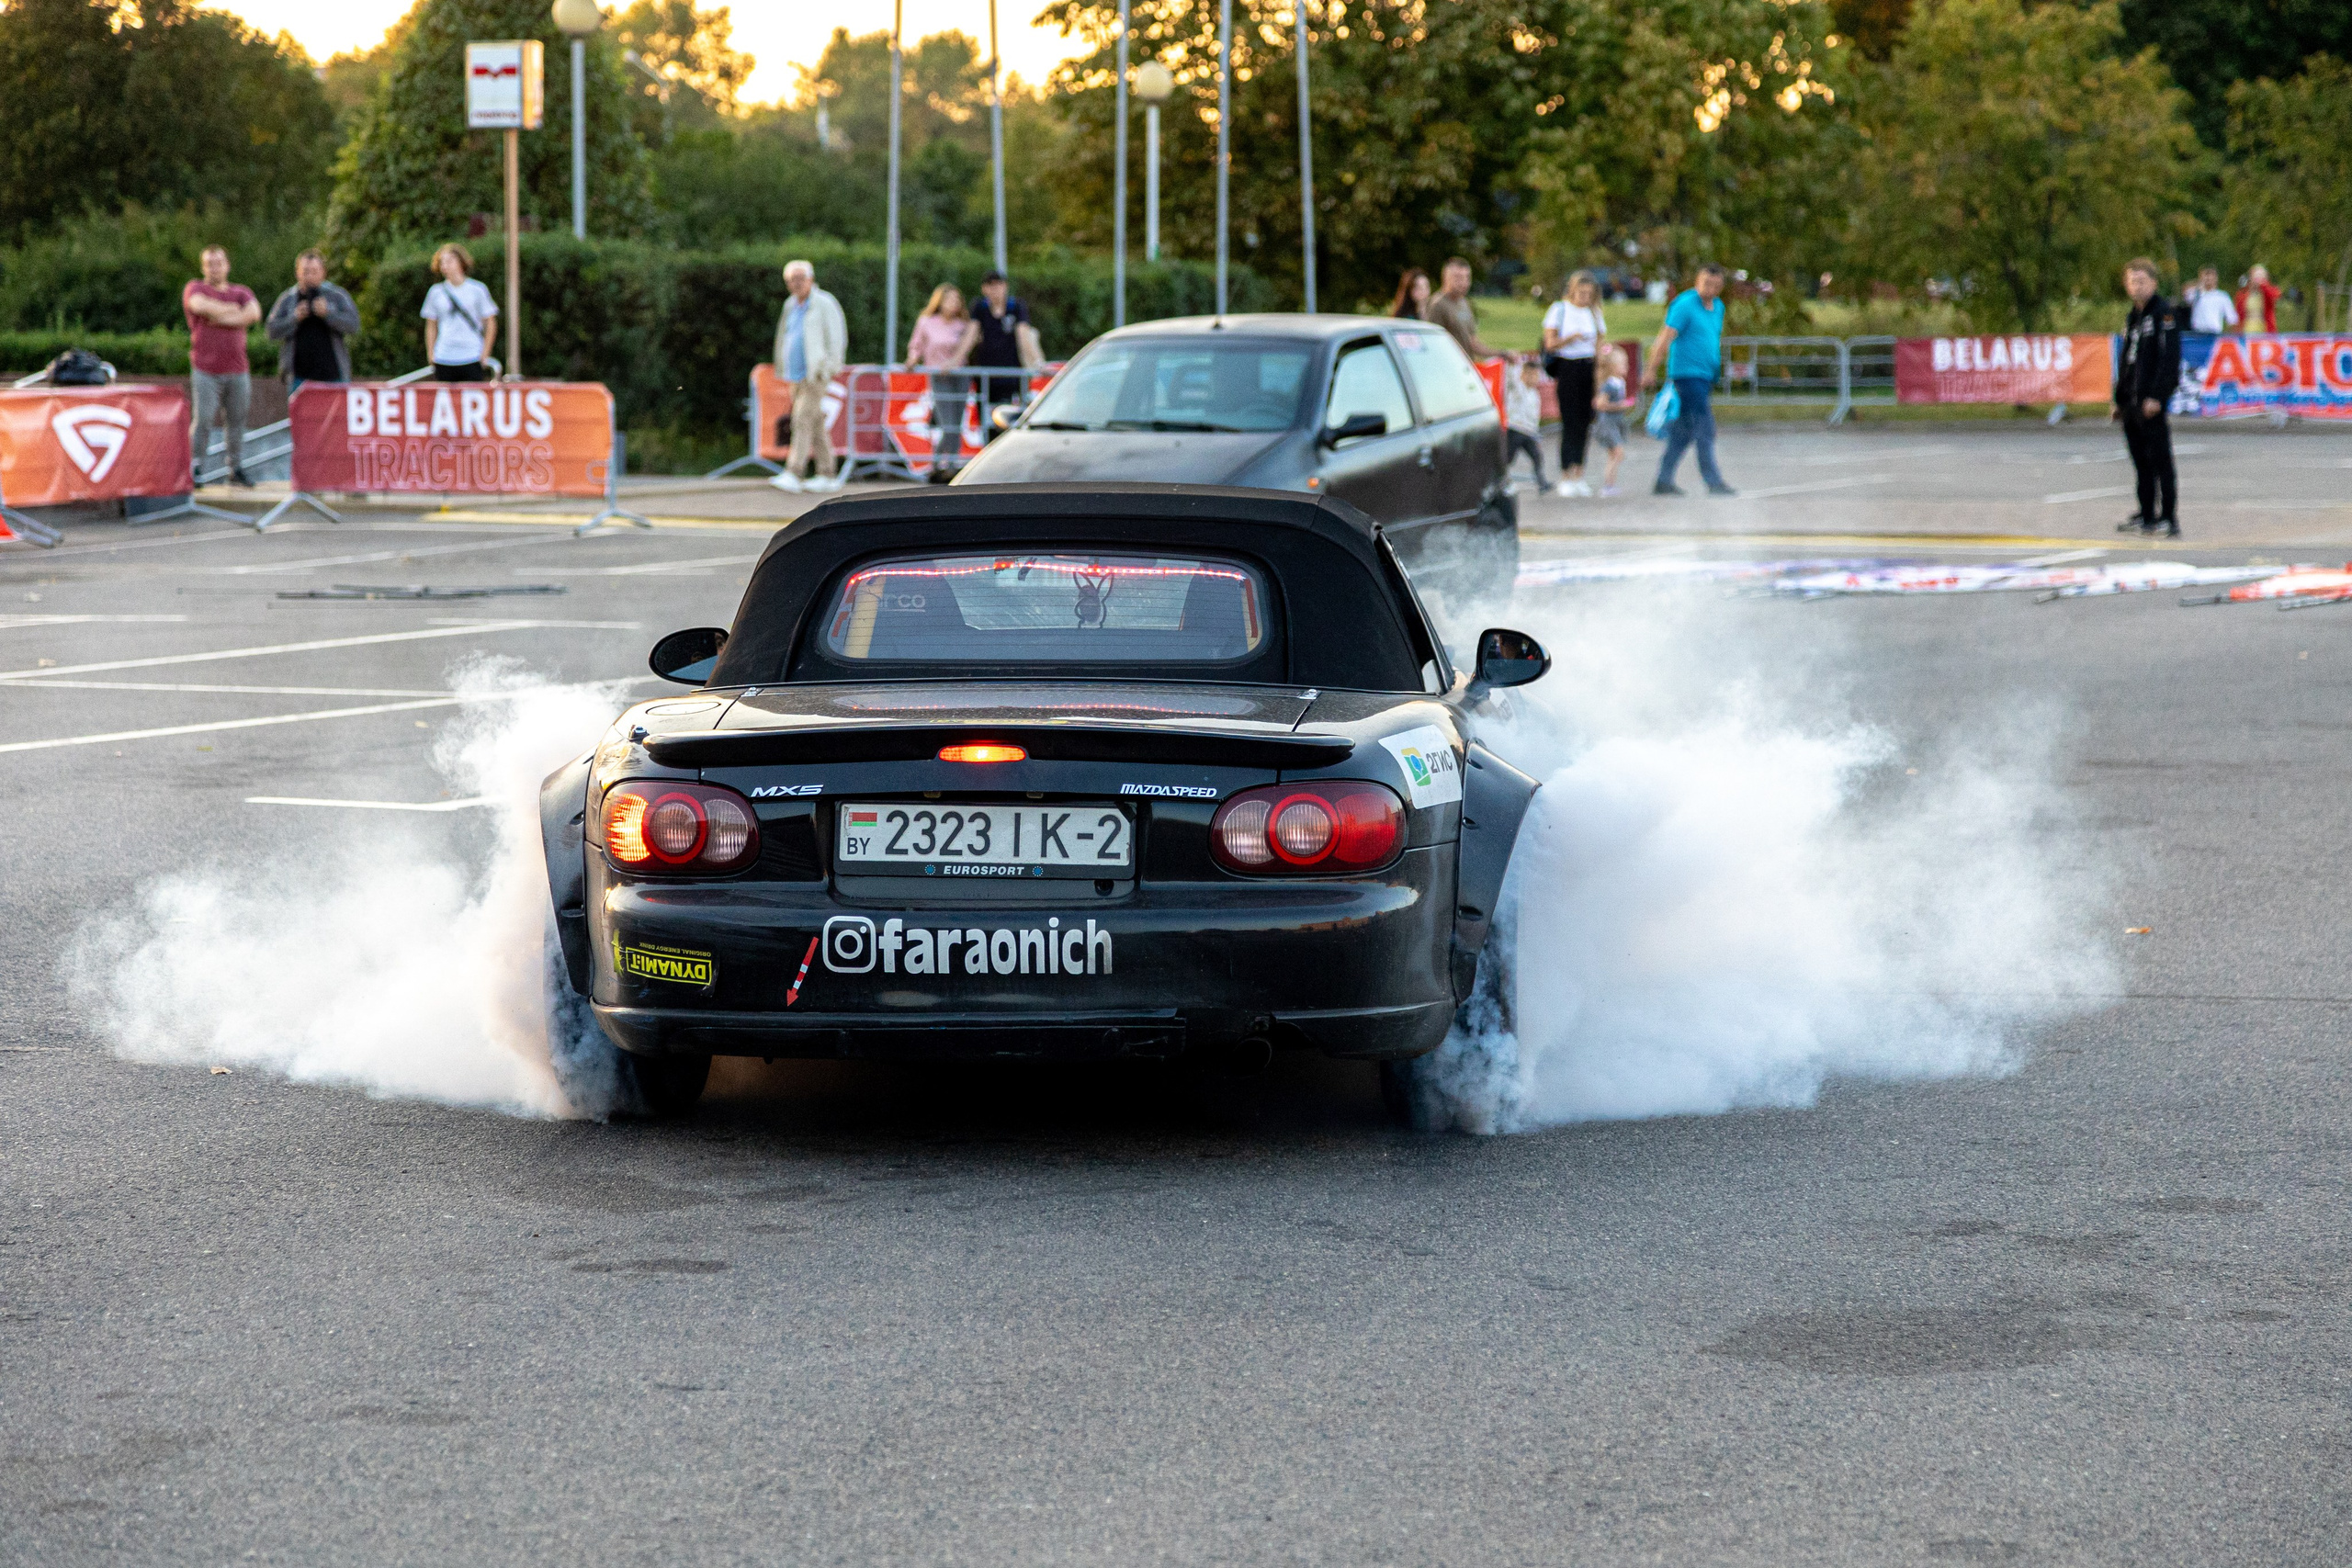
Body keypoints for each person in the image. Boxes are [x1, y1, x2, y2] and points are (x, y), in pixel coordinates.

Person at [1645, 264, 1736, 496]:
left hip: (1705, 376)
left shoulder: (1718, 307)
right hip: (1686, 376)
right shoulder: (1684, 304)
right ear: (1697, 281)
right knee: (1705, 427)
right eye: (1706, 283)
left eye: (1716, 285)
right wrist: (1651, 370)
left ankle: (1663, 480)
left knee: (1683, 432)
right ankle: (1713, 481)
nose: (1710, 289)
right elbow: (1665, 337)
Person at [182, 245, 260, 487]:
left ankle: (235, 468)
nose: (215, 268)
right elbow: (199, 306)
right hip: (205, 370)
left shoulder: (241, 292)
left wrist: (217, 315)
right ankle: (194, 468)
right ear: (203, 267)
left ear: (227, 265)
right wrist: (233, 311)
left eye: (219, 263)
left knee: (237, 421)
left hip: (238, 370)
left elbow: (254, 313)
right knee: (203, 420)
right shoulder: (195, 288)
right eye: (210, 264)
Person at [769, 258, 849, 492]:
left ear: (811, 279)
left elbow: (837, 336)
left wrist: (830, 367)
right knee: (815, 423)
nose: (796, 283)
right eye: (791, 279)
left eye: (800, 278)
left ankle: (794, 471)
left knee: (801, 418)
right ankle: (827, 472)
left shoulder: (824, 303)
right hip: (795, 374)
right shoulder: (790, 305)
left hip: (816, 374)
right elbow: (785, 336)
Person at [2115, 257, 2181, 538]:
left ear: (2153, 283)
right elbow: (2127, 359)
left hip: (2150, 402)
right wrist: (2118, 399)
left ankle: (2168, 517)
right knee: (2140, 461)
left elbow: (2170, 360)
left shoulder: (2163, 314)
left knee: (2160, 460)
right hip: (2131, 401)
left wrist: (2157, 396)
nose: (2137, 287)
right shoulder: (2133, 317)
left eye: (2142, 281)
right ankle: (2146, 514)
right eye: (2132, 281)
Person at [1542, 270, 1606, 496]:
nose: (1585, 297)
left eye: (1589, 294)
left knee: (1585, 422)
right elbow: (1550, 343)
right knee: (1570, 422)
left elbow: (1599, 344)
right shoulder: (1560, 309)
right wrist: (1571, 338)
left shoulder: (1594, 313)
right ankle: (1566, 473)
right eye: (1581, 293)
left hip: (1588, 367)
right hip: (1568, 366)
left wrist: (1600, 374)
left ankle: (1579, 472)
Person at [906, 282, 976, 480]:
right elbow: (916, 345)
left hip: (960, 376)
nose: (954, 303)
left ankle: (948, 465)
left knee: (956, 423)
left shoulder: (963, 324)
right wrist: (913, 359)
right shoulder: (927, 322)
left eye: (956, 299)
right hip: (939, 377)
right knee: (948, 424)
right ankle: (940, 463)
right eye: (949, 299)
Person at [265, 249, 360, 394]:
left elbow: (354, 325)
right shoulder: (287, 299)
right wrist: (294, 318)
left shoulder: (337, 296)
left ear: (323, 272)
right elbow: (271, 331)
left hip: (334, 377)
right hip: (298, 378)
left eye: (314, 271)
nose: (309, 276)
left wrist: (328, 314)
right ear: (297, 273)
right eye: (305, 272)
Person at [420, 244, 498, 383]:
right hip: (444, 356)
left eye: (449, 261)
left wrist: (485, 353)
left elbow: (490, 322)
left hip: (472, 355)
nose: (445, 266)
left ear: (461, 262)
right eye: (442, 262)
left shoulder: (477, 289)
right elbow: (431, 325)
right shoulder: (436, 292)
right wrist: (431, 354)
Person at [969, 270, 1031, 440]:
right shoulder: (980, 308)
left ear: (1005, 287)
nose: (995, 289)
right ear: (984, 289)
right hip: (986, 377)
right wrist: (954, 361)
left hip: (1011, 377)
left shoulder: (1015, 306)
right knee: (987, 424)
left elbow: (1024, 336)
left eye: (999, 285)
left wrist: (1036, 363)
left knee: (1010, 424)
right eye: (991, 285)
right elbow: (970, 335)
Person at [1424, 257, 1502, 362]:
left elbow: (1472, 343)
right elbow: (1432, 344)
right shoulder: (1437, 305)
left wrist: (1502, 354)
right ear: (1446, 278)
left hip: (1465, 366)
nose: (1464, 283)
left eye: (1467, 277)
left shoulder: (1465, 303)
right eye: (1458, 278)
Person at [1589, 344, 1635, 497]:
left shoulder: (1619, 382)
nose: (1626, 368)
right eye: (1623, 364)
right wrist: (1620, 405)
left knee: (1613, 455)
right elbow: (1600, 404)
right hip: (1608, 424)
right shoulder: (1609, 384)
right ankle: (1607, 486)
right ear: (1614, 366)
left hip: (1615, 423)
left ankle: (1610, 485)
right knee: (1617, 453)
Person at [1503, 358, 1544, 489]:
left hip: (1528, 431)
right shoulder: (1518, 390)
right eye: (1531, 375)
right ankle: (1500, 481)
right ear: (1524, 375)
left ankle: (1541, 482)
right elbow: (1512, 380)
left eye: (1537, 375)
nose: (1535, 379)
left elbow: (1534, 417)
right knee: (1508, 458)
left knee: (1537, 456)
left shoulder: (1535, 394)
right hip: (1515, 429)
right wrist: (1511, 366)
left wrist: (1536, 433)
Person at [2187, 265, 2239, 334]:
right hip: (2197, 334)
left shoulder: (2222, 296)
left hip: (2214, 334)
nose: (2208, 278)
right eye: (2206, 275)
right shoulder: (2195, 295)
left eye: (2211, 275)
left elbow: (2232, 319)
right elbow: (2186, 295)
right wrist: (2198, 286)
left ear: (2216, 278)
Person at [2238, 265, 2279, 333]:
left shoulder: (2268, 291)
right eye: (2256, 276)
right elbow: (2238, 314)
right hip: (2247, 329)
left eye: (2261, 276)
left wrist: (2263, 285)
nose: (2258, 279)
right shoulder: (2243, 294)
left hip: (2265, 329)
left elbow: (2275, 295)